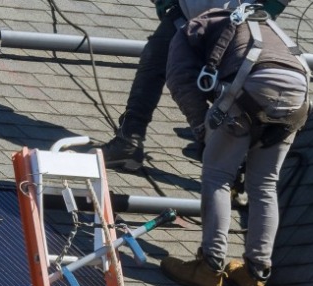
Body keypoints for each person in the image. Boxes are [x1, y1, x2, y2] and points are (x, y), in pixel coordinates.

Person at [159, 3, 309, 286]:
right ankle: (254, 275)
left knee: (217, 177)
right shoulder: (261, 21)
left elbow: (181, 82)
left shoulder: (191, 28)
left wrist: (204, 132)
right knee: (264, 184)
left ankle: (209, 267)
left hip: (252, 85)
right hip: (298, 93)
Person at [98, 0, 288, 172]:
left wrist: (268, 10)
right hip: (186, 13)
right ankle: (129, 139)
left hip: (240, 23)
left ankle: (225, 154)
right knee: (155, 60)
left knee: (231, 88)